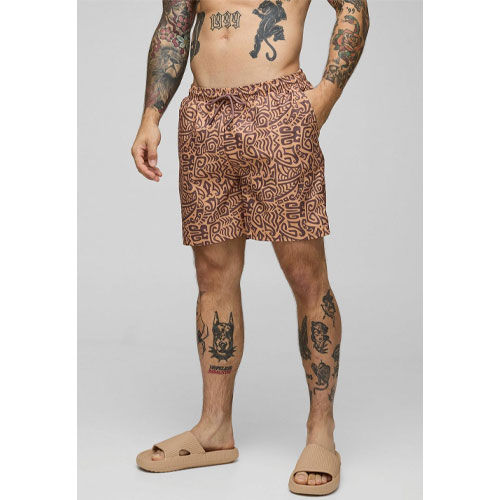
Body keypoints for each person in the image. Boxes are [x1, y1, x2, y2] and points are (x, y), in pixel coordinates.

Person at [132, 0, 369, 495]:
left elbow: (353, 7)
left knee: (306, 275)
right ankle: (215, 427)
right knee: (213, 276)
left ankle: (321, 430)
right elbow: (174, 23)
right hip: (203, 115)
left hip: (278, 108)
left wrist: (323, 98)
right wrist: (151, 115)